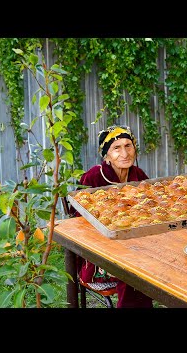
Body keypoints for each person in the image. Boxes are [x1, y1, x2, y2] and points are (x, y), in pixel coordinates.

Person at [71, 125, 153, 308]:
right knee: (133, 270)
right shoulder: (92, 178)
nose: (125, 153)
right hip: (98, 256)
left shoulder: (138, 176)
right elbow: (79, 223)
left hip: (136, 247)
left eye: (128, 146)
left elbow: (150, 210)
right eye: (117, 148)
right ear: (106, 155)